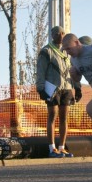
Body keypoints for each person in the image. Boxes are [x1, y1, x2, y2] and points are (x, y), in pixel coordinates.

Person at [36, 26, 75, 158]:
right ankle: (51, 148)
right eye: (58, 33)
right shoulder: (46, 51)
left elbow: (73, 71)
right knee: (52, 116)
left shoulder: (68, 52)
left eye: (63, 33)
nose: (61, 36)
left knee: (64, 118)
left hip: (67, 88)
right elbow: (40, 71)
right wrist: (40, 88)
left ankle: (62, 147)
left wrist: (77, 87)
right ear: (52, 35)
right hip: (52, 88)